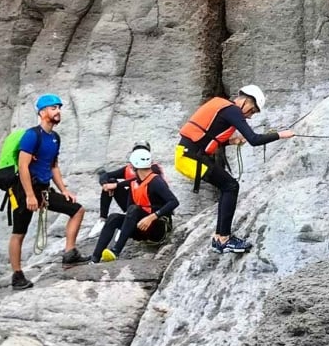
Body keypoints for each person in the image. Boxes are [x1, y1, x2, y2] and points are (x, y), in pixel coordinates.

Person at [174, 84, 295, 254]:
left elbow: (207, 136)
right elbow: (254, 139)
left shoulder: (224, 107)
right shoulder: (232, 110)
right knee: (230, 186)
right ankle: (224, 239)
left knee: (228, 186)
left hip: (187, 156)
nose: (250, 116)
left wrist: (231, 141)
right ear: (245, 101)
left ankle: (219, 238)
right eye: (252, 111)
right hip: (190, 158)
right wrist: (281, 135)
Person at [0, 94, 86, 290]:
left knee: (77, 210)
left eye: (59, 108)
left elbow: (53, 166)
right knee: (19, 232)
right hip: (23, 190)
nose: (58, 111)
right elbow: (23, 166)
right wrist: (29, 195)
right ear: (42, 112)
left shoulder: (54, 137)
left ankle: (70, 253)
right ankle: (17, 275)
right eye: (53, 108)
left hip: (44, 189)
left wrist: (64, 190)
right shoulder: (32, 135)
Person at [92, 146, 180, 262]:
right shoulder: (136, 182)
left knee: (134, 209)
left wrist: (152, 217)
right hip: (142, 228)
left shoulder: (156, 181)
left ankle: (115, 251)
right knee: (114, 217)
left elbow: (174, 202)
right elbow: (127, 187)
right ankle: (95, 258)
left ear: (134, 167)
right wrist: (115, 185)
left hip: (157, 229)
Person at [97, 141, 165, 221]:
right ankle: (102, 219)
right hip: (132, 201)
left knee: (116, 184)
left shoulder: (153, 168)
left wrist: (117, 185)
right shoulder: (129, 168)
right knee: (111, 181)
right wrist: (105, 184)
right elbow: (106, 175)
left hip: (149, 205)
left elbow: (141, 179)